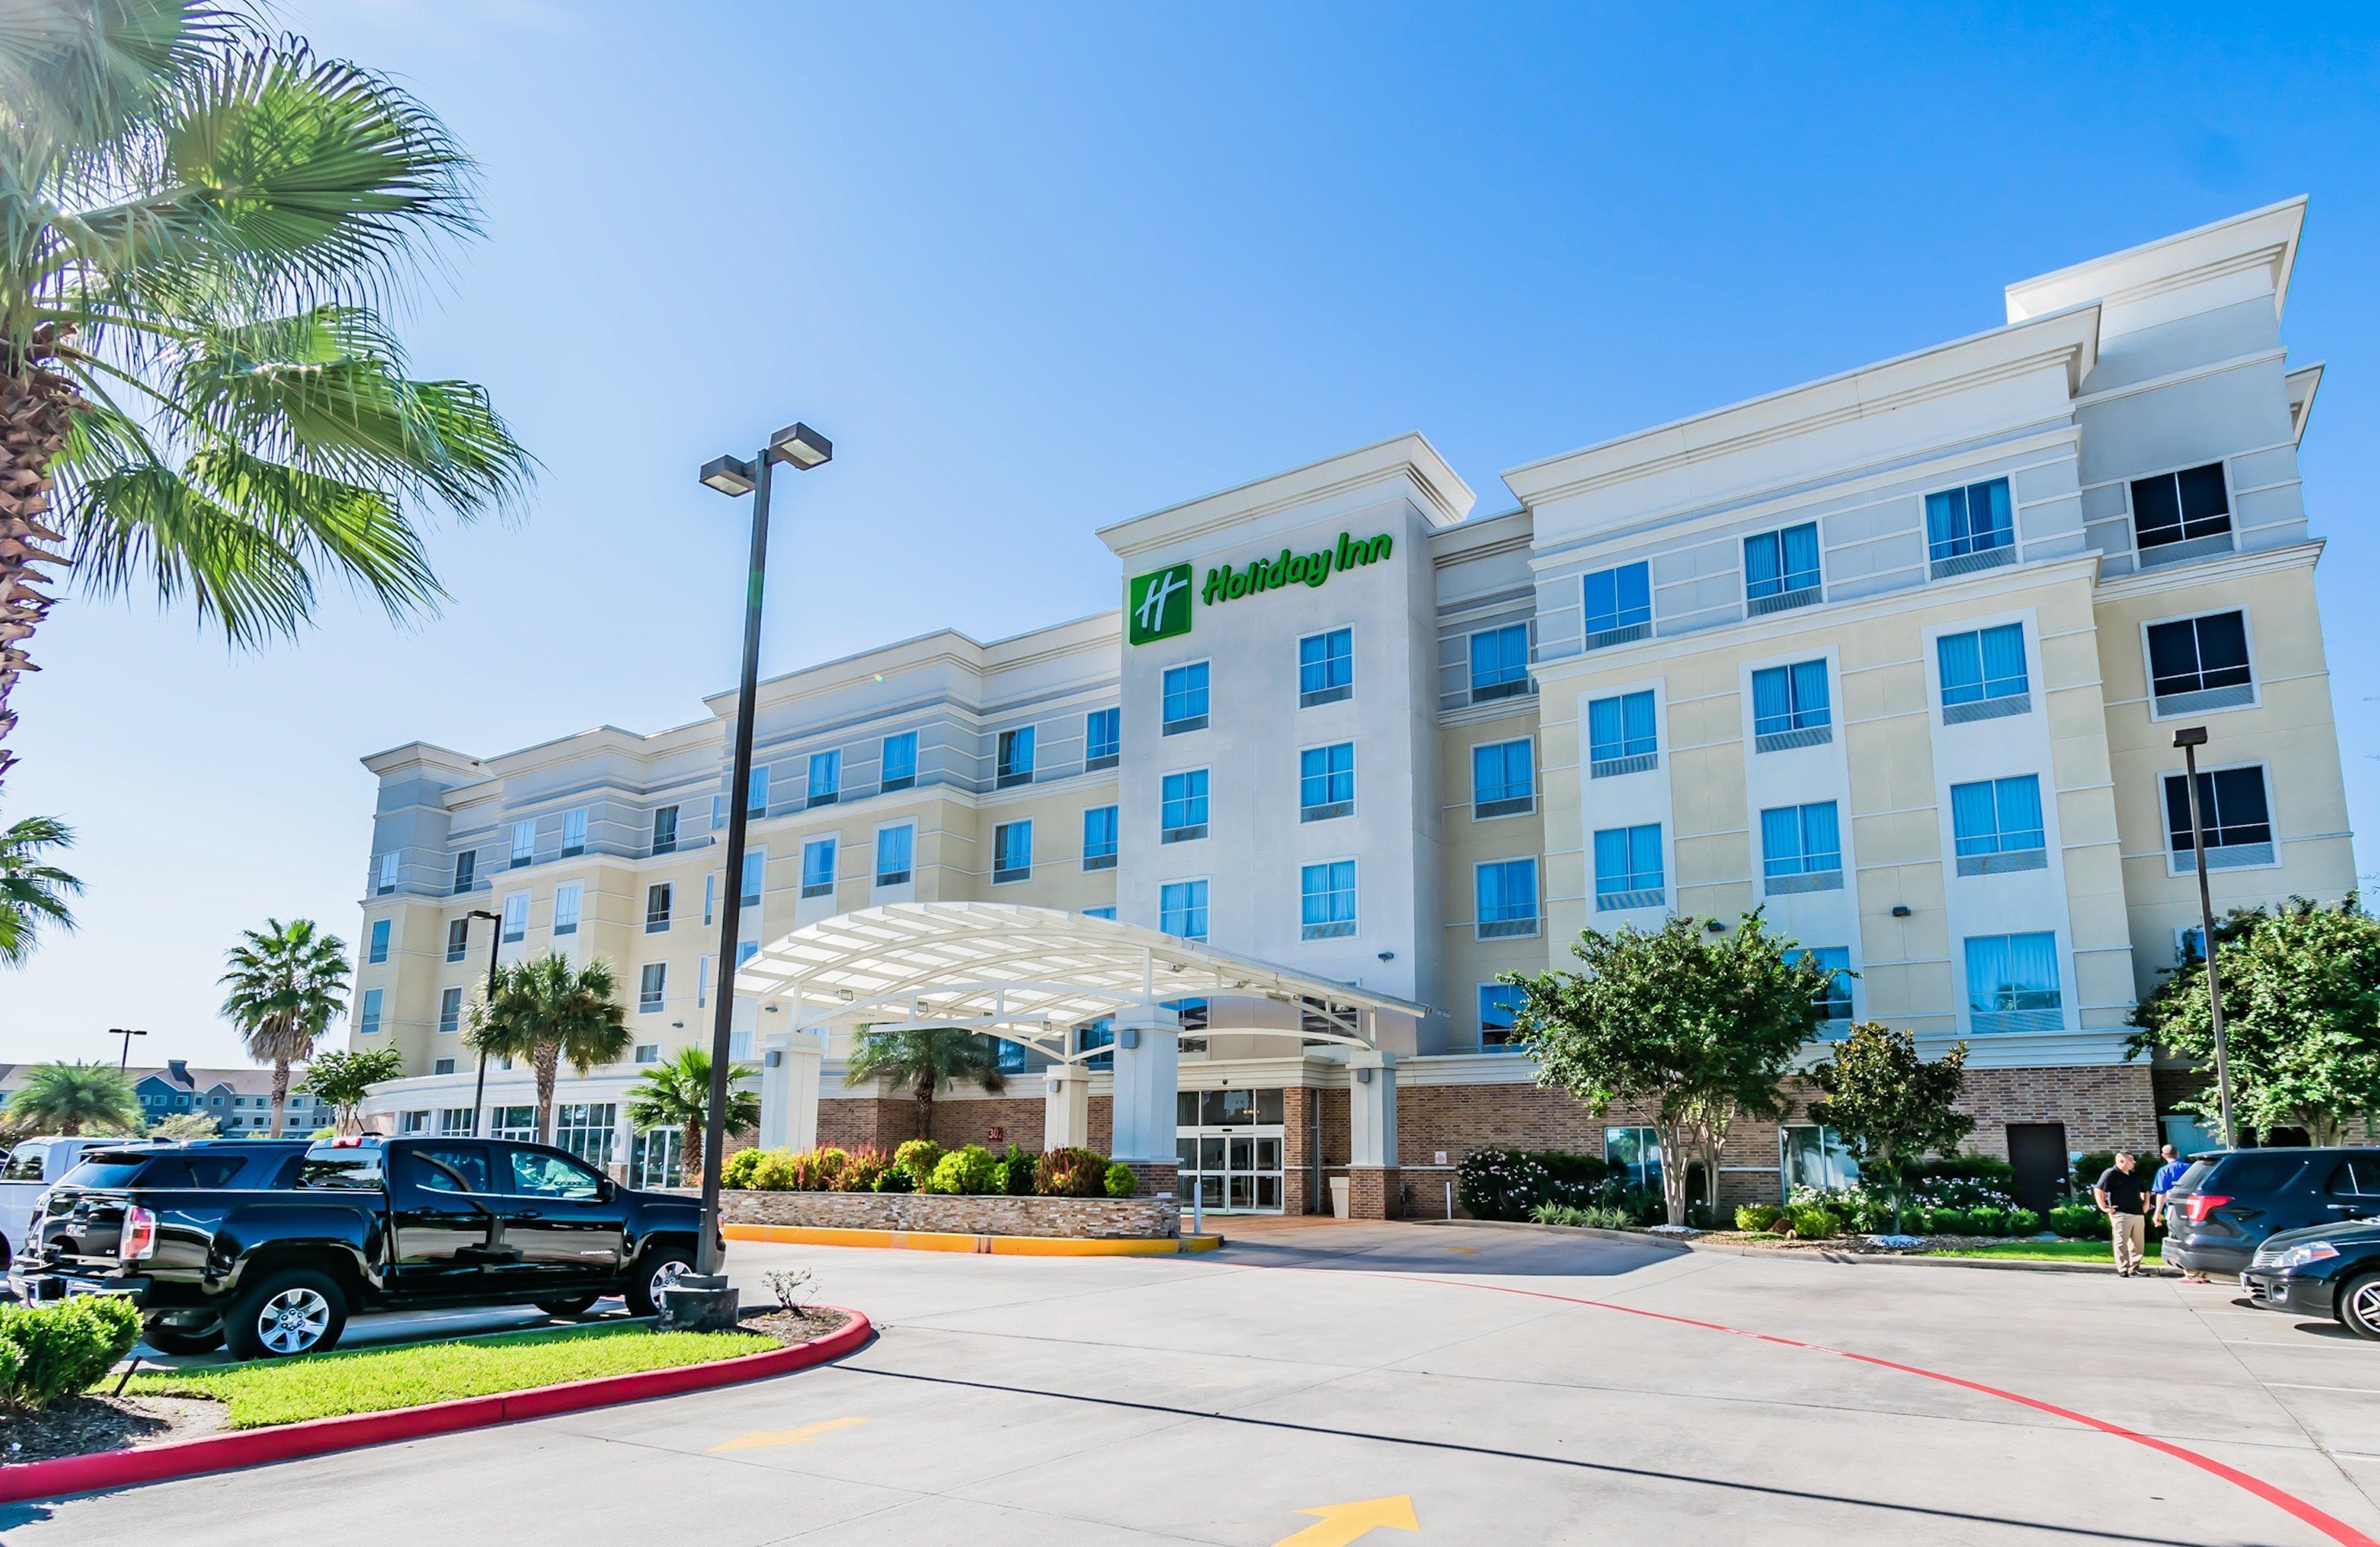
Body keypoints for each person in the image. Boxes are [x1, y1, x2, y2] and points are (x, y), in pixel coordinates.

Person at [2150, 1142, 2207, 1283]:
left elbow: (2162, 1194)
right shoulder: (2192, 1169)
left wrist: (2157, 1213)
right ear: (2178, 1154)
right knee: (2197, 1236)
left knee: (2179, 1238)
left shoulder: (2164, 1171)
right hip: (2195, 1207)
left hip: (2174, 1209)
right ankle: (2204, 1272)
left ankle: (2190, 1273)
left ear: (2163, 1156)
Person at [2093, 1152, 2150, 1277]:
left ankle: (2134, 1268)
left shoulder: (2134, 1175)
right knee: (2121, 1242)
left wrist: (2146, 1205)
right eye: (2131, 1160)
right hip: (2121, 1213)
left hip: (2137, 1213)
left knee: (2138, 1244)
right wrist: (2104, 1207)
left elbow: (2145, 1191)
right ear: (2122, 1161)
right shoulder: (2111, 1173)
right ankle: (2123, 1268)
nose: (2134, 1162)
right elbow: (2098, 1190)